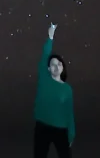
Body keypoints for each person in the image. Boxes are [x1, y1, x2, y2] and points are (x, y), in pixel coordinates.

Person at [32, 22, 75, 158]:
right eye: (53, 64)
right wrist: (50, 36)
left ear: (63, 68)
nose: (56, 67)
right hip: (42, 126)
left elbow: (69, 112)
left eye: (59, 64)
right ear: (48, 68)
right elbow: (45, 54)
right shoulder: (44, 79)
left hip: (60, 128)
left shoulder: (67, 89)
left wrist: (71, 133)